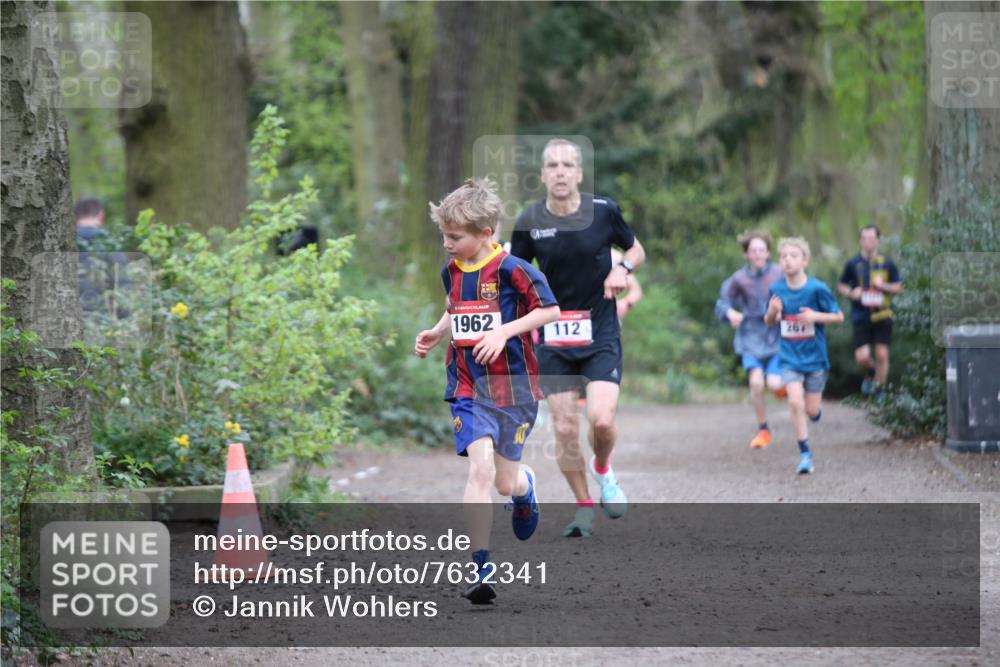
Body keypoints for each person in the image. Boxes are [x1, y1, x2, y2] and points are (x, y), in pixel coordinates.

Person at [414, 179, 560, 604]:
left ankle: (525, 486)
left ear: (485, 233)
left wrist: (504, 332)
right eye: (443, 235)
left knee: (503, 482)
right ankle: (481, 567)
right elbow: (454, 306)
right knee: (477, 472)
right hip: (467, 385)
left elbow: (549, 310)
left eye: (454, 237)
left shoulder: (515, 270)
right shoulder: (452, 270)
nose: (446, 244)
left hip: (514, 389)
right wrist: (438, 332)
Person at [509, 138, 645, 538]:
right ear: (543, 175)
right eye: (552, 166)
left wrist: (624, 269)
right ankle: (583, 507)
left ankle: (603, 469)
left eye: (568, 165)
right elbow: (515, 274)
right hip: (552, 335)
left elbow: (636, 249)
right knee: (565, 427)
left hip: (599, 329)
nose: (561, 172)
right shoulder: (530, 219)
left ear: (579, 173)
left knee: (601, 421)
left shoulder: (603, 212)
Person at [765, 238, 844, 475]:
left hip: (815, 359)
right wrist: (771, 312)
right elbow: (768, 322)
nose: (788, 260)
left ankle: (815, 411)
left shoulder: (816, 289)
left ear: (805, 260)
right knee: (794, 401)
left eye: (793, 255)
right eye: (784, 256)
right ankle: (805, 454)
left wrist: (815, 317)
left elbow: (839, 316)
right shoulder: (776, 290)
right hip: (789, 358)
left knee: (811, 410)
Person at [714, 230, 785, 449]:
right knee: (755, 382)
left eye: (761, 250)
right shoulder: (738, 279)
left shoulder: (780, 273)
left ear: (768, 252)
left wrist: (787, 311)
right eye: (753, 250)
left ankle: (784, 389)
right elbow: (722, 303)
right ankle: (763, 429)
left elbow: (797, 293)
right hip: (750, 337)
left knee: (774, 384)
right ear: (746, 254)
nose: (757, 254)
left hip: (775, 337)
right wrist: (730, 314)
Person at [837, 225, 903, 398]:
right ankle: (872, 372)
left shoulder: (887, 262)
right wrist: (852, 293)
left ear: (878, 241)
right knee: (862, 356)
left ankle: (880, 391)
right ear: (860, 240)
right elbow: (841, 285)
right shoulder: (853, 263)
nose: (868, 242)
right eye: (864, 238)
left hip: (883, 314)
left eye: (872, 238)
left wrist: (883, 286)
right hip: (860, 315)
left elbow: (898, 287)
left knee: (882, 354)